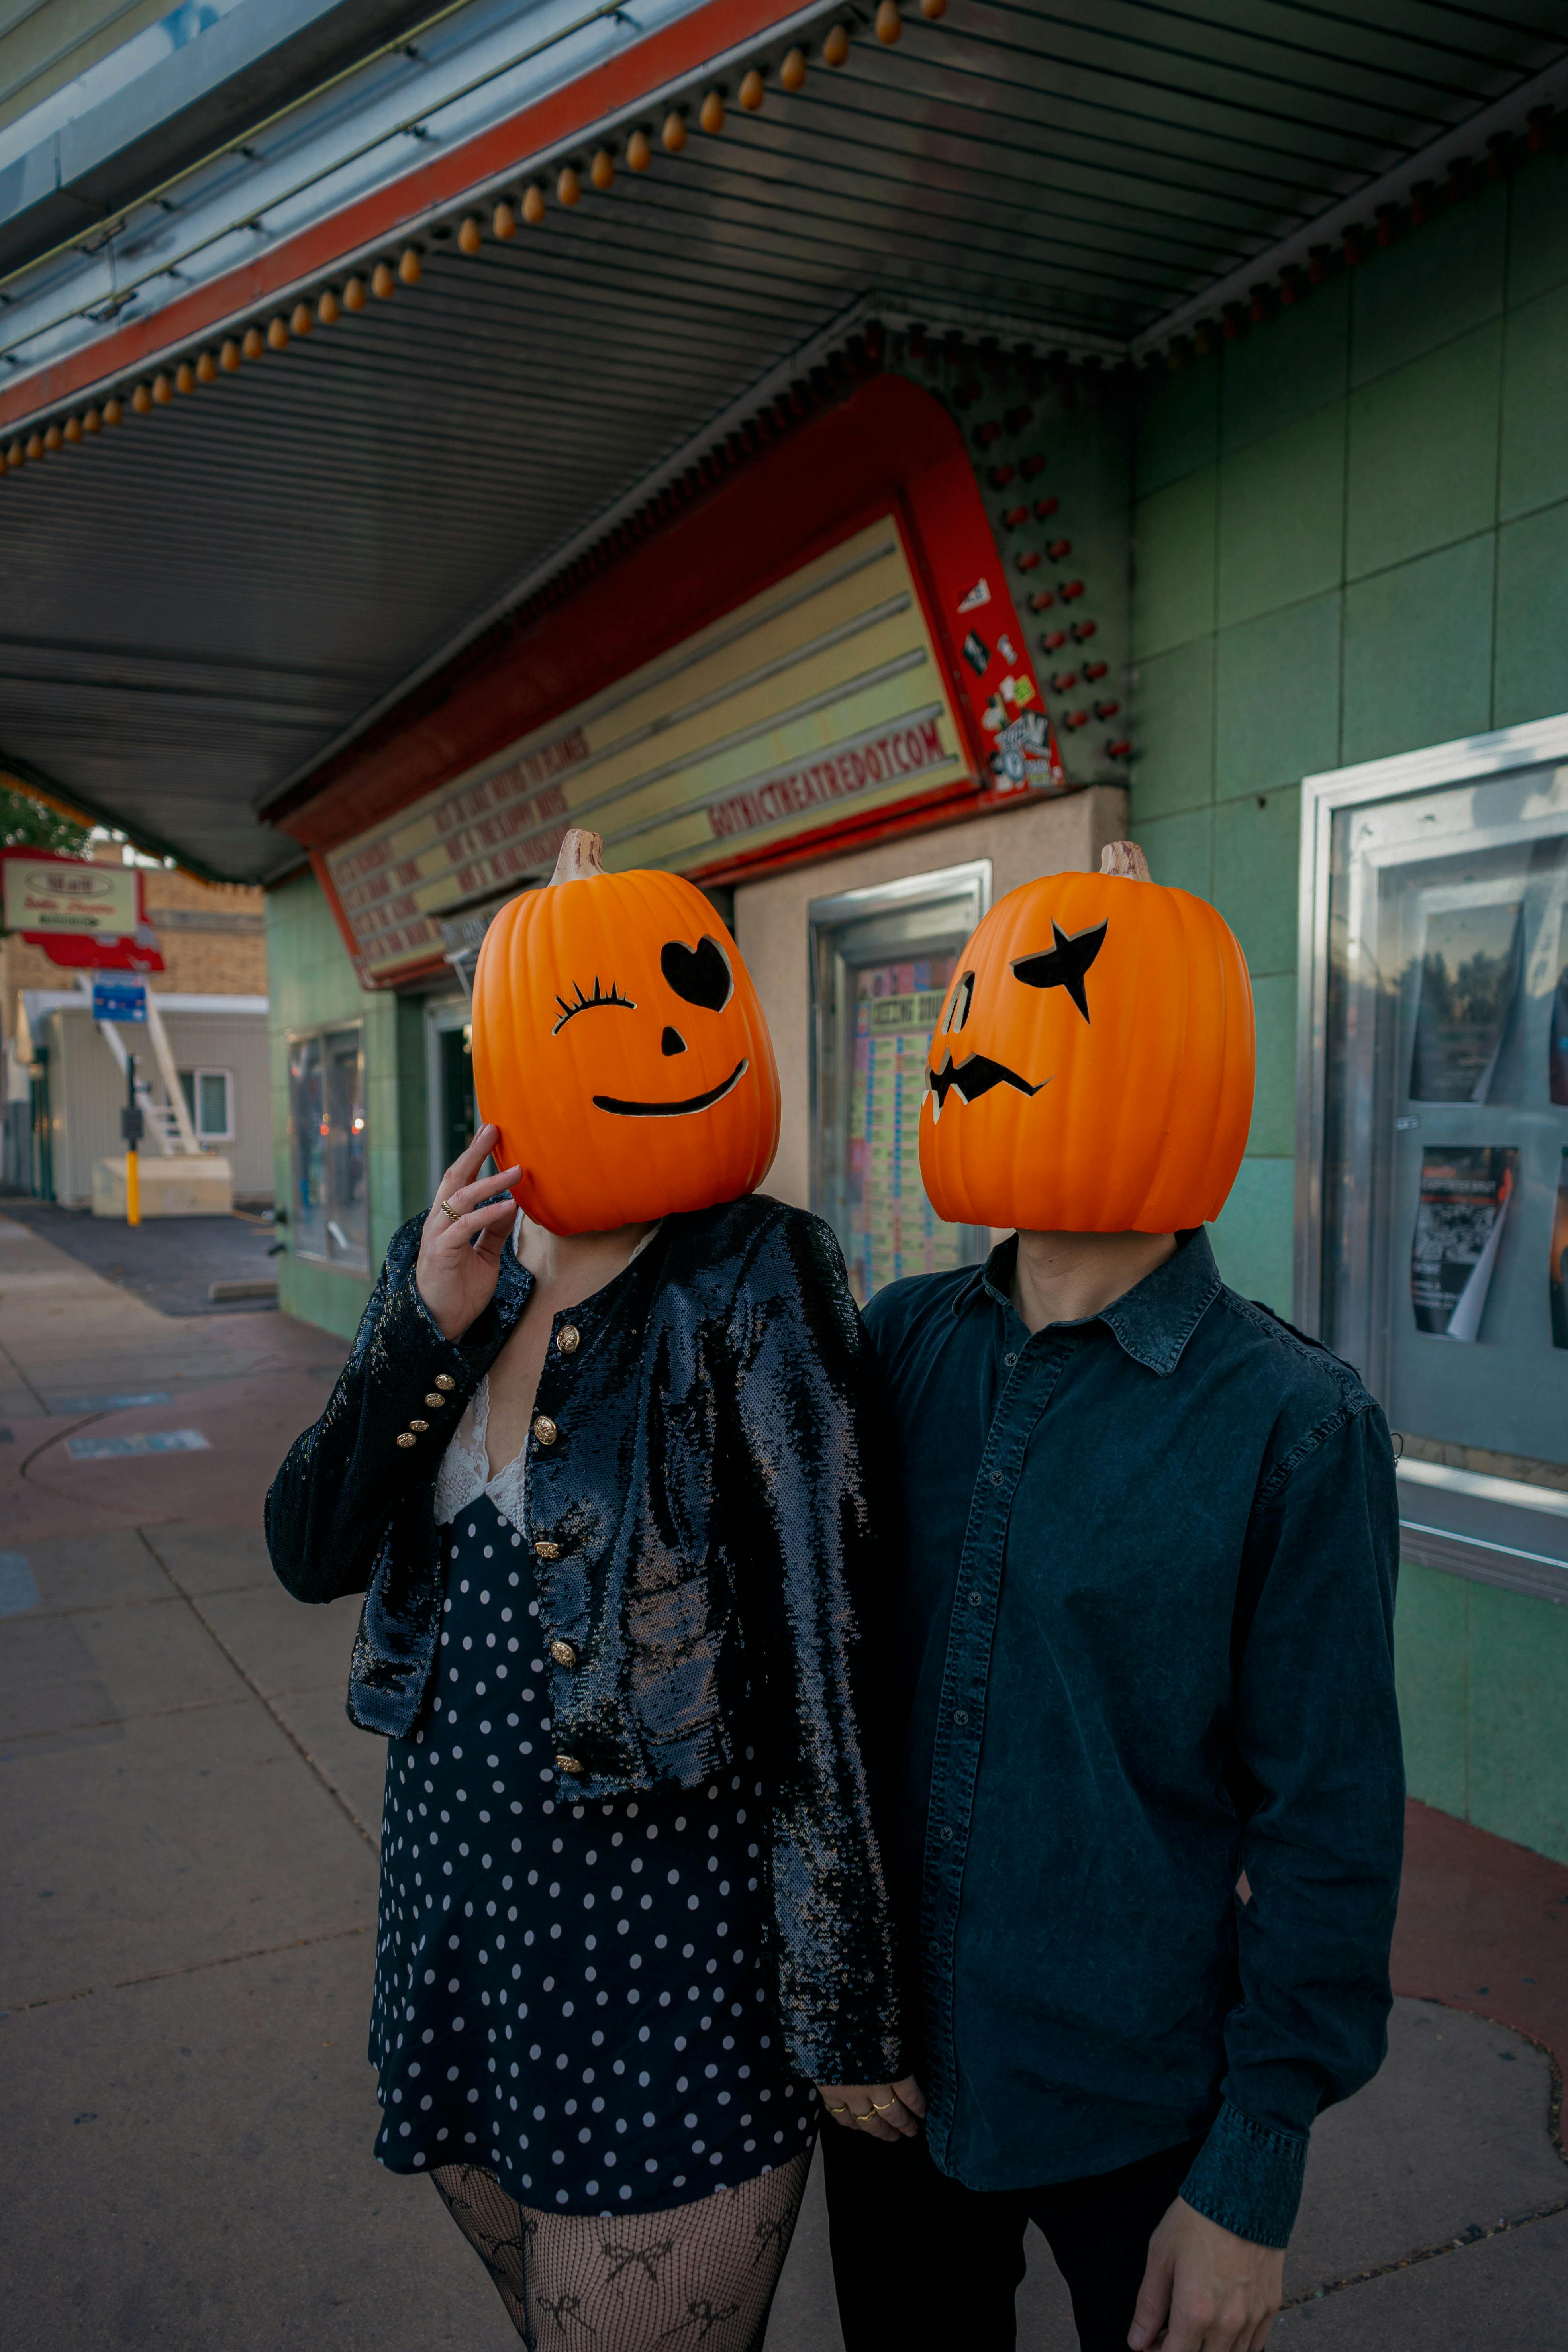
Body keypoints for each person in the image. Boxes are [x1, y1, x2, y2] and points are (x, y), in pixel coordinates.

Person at [267, 832, 904, 2350]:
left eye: (692, 1001)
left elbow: (832, 1643)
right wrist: (423, 1328)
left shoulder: (757, 1276)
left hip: (661, 1967)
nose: (664, 1046)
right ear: (508, 1051)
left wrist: (845, 1996)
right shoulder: (457, 1252)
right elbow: (308, 1547)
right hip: (457, 1929)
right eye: (590, 1017)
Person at [821, 844, 1405, 2352]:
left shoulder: (1295, 1425)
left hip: (1141, 2116)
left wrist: (1254, 2176)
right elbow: (807, 1697)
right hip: (889, 2094)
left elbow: (1330, 1822)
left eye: (1028, 1010)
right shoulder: (891, 1349)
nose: (973, 1049)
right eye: (969, 1010)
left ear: (1169, 1065)